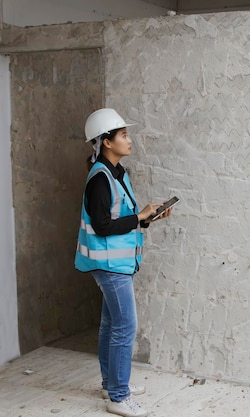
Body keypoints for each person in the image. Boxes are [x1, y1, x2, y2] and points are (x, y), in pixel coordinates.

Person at [75, 108, 172, 417]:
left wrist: (146, 218)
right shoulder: (100, 180)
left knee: (110, 324)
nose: (130, 140)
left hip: (120, 263)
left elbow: (122, 219)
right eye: (124, 136)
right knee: (125, 326)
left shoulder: (117, 173)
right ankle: (118, 396)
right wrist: (139, 216)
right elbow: (103, 226)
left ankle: (111, 384)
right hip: (109, 266)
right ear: (106, 142)